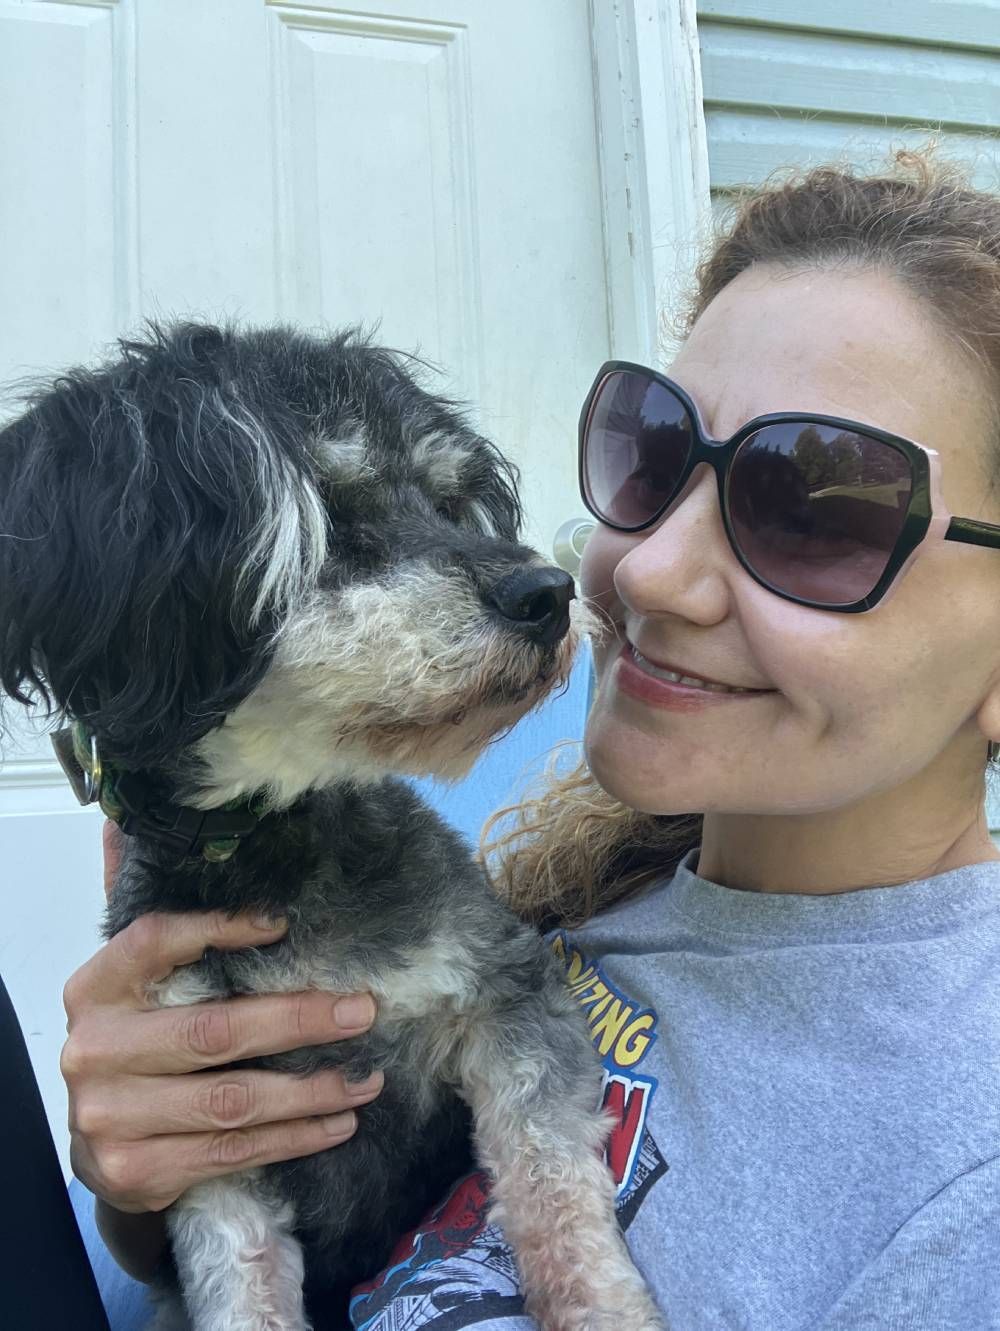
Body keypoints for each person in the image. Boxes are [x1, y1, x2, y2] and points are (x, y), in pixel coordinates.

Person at [64, 147, 1000, 1329]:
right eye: (654, 455)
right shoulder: (547, 890)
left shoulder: (967, 1159)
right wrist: (153, 1173)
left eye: (811, 505)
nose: (647, 569)